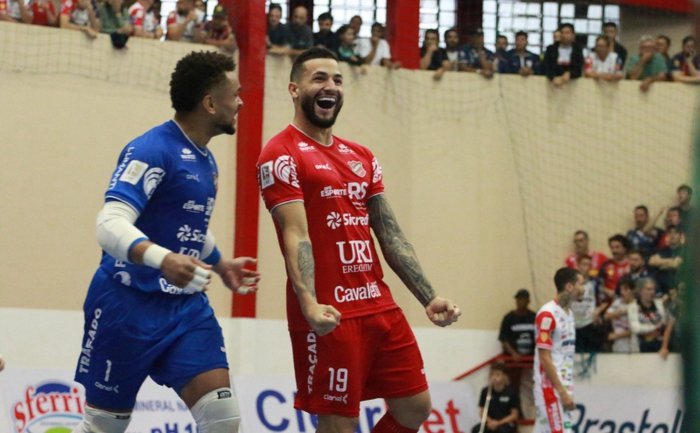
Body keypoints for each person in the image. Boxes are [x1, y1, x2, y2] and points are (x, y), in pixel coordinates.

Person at [257, 47, 461, 433]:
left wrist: (428, 296)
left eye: (336, 79)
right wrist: (310, 304)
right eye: (319, 78)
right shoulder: (280, 153)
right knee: (339, 424)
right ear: (294, 88)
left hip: (379, 305)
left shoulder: (361, 155)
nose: (330, 86)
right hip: (331, 314)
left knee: (415, 406)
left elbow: (390, 233)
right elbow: (295, 233)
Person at [70, 51, 260, 433]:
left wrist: (221, 265)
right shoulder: (151, 149)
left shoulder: (205, 160)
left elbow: (185, 225)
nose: (241, 102)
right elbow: (109, 223)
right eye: (234, 94)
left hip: (185, 312)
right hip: (125, 308)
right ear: (209, 103)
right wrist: (162, 259)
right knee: (104, 427)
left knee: (223, 420)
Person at [533, 268, 584, 433]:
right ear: (569, 286)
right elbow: (544, 357)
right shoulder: (548, 314)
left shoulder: (569, 313)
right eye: (581, 284)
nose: (584, 289)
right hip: (550, 389)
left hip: (562, 386)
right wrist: (561, 392)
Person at [471, 363, 520, 433]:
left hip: (505, 424)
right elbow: (482, 411)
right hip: (489, 422)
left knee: (502, 431)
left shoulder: (512, 393)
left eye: (497, 375)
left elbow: (514, 415)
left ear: (504, 376)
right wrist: (490, 421)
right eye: (492, 374)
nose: (494, 377)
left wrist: (498, 423)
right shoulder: (485, 391)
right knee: (476, 430)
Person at [628, 278, 667, 353]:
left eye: (653, 289)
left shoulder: (660, 305)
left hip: (659, 346)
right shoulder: (632, 307)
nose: (652, 292)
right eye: (648, 289)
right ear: (640, 291)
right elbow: (635, 328)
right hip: (639, 348)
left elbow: (664, 323)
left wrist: (647, 330)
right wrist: (655, 327)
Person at [542, 23, 584, 87]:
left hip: (572, 85)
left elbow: (578, 68)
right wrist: (553, 77)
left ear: (573, 35)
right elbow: (546, 66)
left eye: (567, 33)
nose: (564, 35)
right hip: (553, 84)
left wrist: (570, 74)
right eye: (562, 33)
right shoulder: (551, 49)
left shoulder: (577, 49)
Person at [605, 278, 636, 353]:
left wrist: (618, 335)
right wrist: (619, 312)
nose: (622, 292)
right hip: (617, 345)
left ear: (633, 290)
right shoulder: (617, 303)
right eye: (621, 290)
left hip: (633, 345)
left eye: (626, 289)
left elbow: (637, 330)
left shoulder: (637, 305)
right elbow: (606, 316)